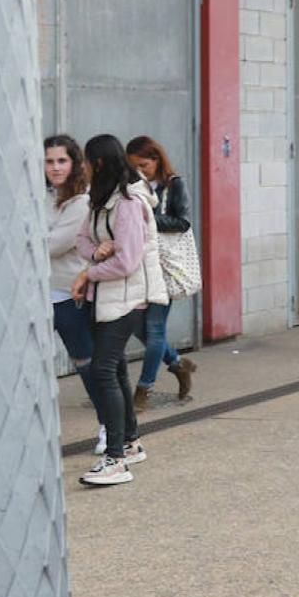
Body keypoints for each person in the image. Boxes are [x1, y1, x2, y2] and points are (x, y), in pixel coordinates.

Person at [73, 134, 164, 486]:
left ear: (98, 163)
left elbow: (127, 261)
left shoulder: (128, 203)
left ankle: (115, 459)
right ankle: (130, 442)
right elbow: (82, 240)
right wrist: (96, 254)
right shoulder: (103, 200)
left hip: (129, 298)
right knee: (116, 369)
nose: (82, 166)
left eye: (85, 160)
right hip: (108, 296)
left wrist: (88, 272)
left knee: (103, 370)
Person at [125, 135, 198, 408]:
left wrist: (146, 218)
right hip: (137, 266)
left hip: (163, 268)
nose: (140, 171)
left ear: (157, 160)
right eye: (134, 166)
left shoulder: (174, 184)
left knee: (154, 330)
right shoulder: (131, 187)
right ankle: (179, 364)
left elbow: (183, 222)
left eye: (144, 164)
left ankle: (143, 391)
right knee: (137, 327)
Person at [44, 135, 106, 454]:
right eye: (50, 161)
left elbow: (52, 244)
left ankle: (110, 426)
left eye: (62, 161)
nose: (55, 167)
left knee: (86, 361)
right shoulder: (45, 198)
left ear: (75, 163)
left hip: (70, 292)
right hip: (40, 294)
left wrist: (33, 237)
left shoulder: (80, 201)